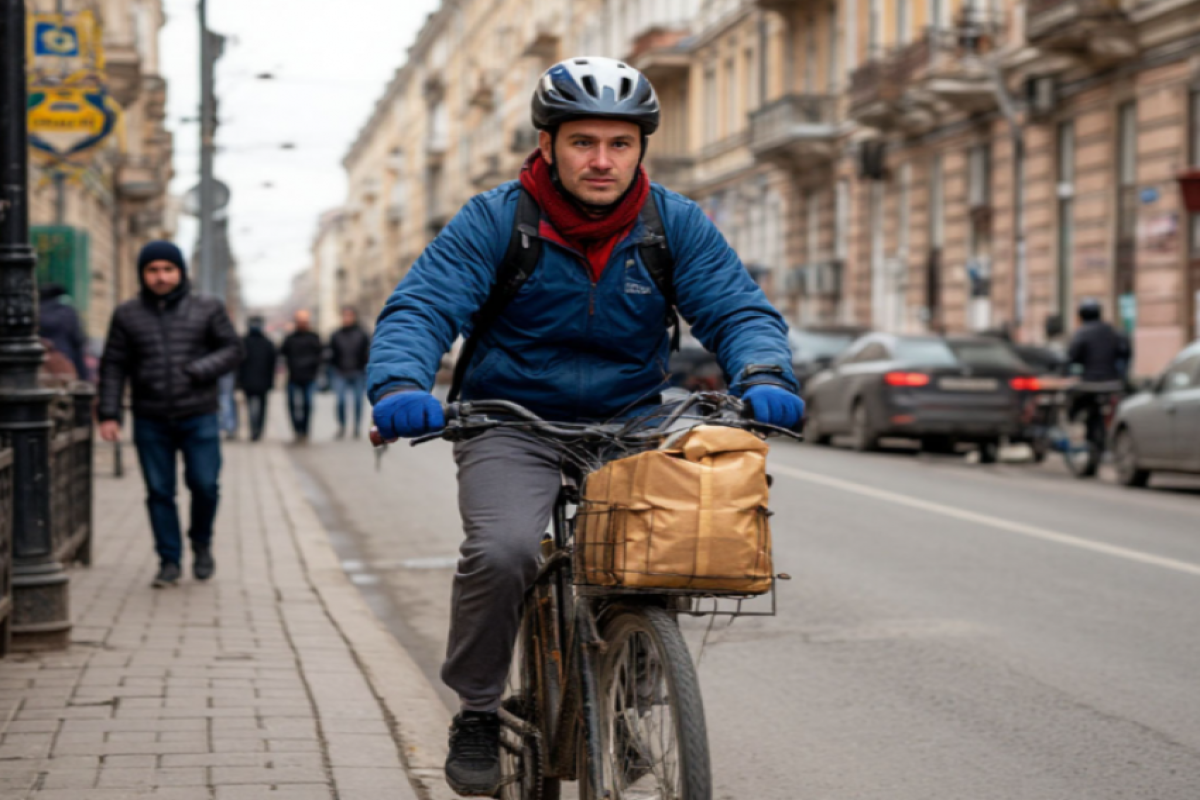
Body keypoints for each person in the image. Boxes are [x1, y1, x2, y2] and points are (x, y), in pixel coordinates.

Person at [367, 57, 803, 797]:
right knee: (504, 550)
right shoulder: (496, 219)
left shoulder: (674, 223)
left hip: (629, 420)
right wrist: (402, 383)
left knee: (664, 557)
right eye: (582, 142)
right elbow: (423, 307)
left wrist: (764, 372)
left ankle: (630, 676)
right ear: (548, 145)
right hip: (510, 418)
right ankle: (476, 709)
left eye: (619, 144)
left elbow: (736, 309)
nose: (601, 160)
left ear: (640, 149)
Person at [97, 241, 243, 587]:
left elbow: (234, 349)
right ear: (142, 274)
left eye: (167, 269)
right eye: (153, 270)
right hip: (150, 417)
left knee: (205, 486)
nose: (161, 277)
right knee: (160, 492)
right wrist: (109, 413)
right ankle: (169, 561)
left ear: (180, 272)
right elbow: (113, 366)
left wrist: (199, 369)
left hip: (199, 414)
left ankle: (201, 541)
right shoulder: (127, 314)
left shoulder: (207, 307)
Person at [1067, 298, 1132, 446]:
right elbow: (1125, 352)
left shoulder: (1081, 333)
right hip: (1113, 383)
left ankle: (1075, 425)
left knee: (1073, 400)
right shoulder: (1113, 331)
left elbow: (1072, 356)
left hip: (1090, 383)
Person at [280, 309, 322, 443]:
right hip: (293, 376)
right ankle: (297, 430)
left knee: (308, 404)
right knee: (292, 405)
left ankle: (305, 430)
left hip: (309, 377)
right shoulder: (290, 338)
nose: (302, 323)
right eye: (300, 321)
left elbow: (321, 354)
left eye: (304, 321)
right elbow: (282, 353)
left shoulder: (314, 337)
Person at [328, 306, 371, 439]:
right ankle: (342, 426)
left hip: (358, 371)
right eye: (345, 316)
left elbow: (368, 352)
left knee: (358, 401)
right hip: (340, 371)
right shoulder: (336, 334)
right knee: (340, 401)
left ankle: (356, 428)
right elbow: (331, 353)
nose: (347, 318)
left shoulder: (362, 334)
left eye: (349, 316)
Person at [238, 316, 277, 442]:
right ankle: (256, 430)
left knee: (255, 407)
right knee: (257, 407)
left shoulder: (245, 342)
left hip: (256, 381)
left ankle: (256, 430)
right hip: (256, 381)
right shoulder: (265, 343)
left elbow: (272, 364)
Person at [38, 283, 88, 380]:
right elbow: (78, 338)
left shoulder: (36, 312)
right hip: (67, 357)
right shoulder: (67, 311)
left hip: (42, 361)